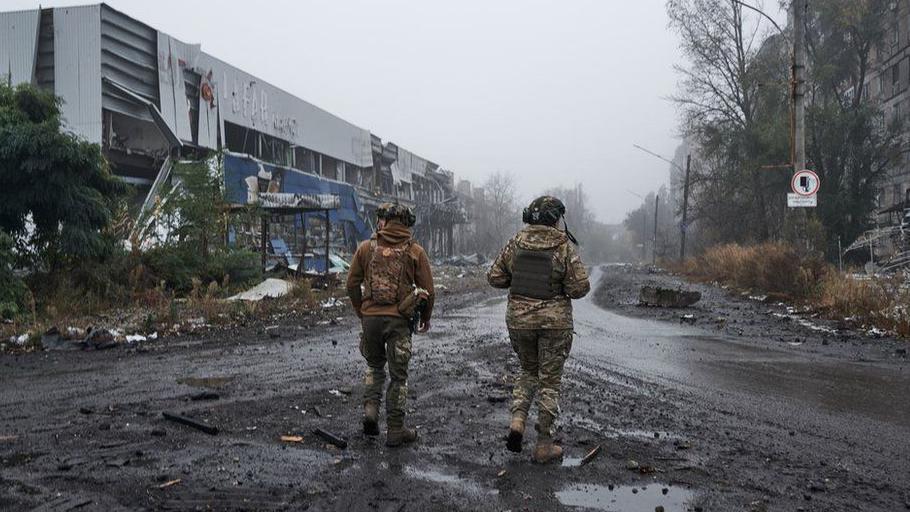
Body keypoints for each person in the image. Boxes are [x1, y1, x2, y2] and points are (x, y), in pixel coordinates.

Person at [487, 195, 591, 463]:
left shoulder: (516, 242)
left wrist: (518, 282)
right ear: (556, 219)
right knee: (549, 381)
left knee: (527, 371)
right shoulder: (563, 246)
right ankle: (544, 444)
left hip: (519, 322)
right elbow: (580, 287)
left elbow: (494, 277)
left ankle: (517, 422)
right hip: (554, 324)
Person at [346, 203, 434, 447]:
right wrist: (426, 317)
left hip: (371, 320)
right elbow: (428, 289)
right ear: (407, 223)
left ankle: (371, 412)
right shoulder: (415, 251)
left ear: (384, 221)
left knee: (374, 366)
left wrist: (361, 311)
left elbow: (351, 283)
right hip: (399, 322)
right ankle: (395, 430)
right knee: (398, 377)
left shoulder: (366, 248)